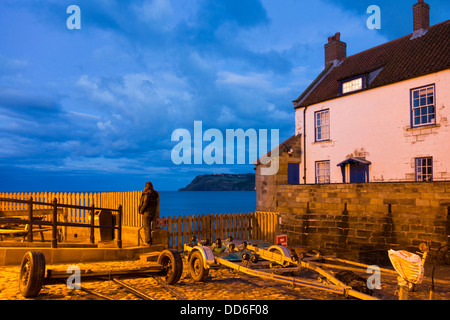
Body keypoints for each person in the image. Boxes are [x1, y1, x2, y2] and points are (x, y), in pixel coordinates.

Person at [138, 181, 160, 246]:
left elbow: (145, 203)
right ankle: (149, 241)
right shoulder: (154, 194)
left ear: (146, 186)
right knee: (149, 227)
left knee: (146, 227)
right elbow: (155, 204)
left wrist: (141, 210)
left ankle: (147, 242)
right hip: (152, 212)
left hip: (146, 212)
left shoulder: (147, 194)